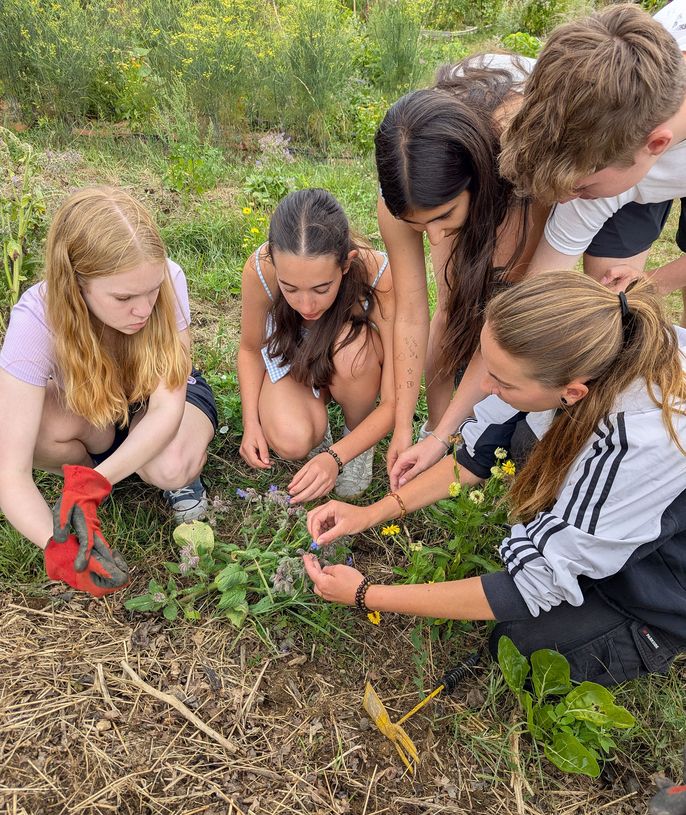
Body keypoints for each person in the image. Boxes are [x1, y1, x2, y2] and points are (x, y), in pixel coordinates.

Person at [303, 272, 686, 686]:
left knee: (521, 649)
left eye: (502, 383)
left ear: (573, 392)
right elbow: (478, 453)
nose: (484, 387)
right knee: (520, 436)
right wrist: (369, 513)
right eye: (489, 366)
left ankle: (660, 626)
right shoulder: (588, 340)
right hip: (618, 504)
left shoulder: (643, 438)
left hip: (664, 576)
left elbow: (530, 586)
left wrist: (366, 594)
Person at [0, 186, 218, 596]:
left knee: (169, 466)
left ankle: (109, 480)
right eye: (123, 297)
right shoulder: (35, 319)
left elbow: (166, 407)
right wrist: (58, 544)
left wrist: (93, 483)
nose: (144, 309)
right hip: (95, 411)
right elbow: (9, 473)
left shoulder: (168, 279)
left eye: (151, 290)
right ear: (76, 285)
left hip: (159, 402)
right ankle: (96, 487)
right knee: (23, 427)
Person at [375, 56, 550, 491]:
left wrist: (438, 439)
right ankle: (442, 430)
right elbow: (414, 314)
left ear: (475, 181)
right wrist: (406, 425)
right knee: (455, 304)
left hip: (521, 162)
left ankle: (458, 432)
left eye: (445, 216)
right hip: (474, 157)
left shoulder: (524, 175)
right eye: (420, 225)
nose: (433, 239)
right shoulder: (402, 196)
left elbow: (499, 323)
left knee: (496, 305)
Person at [500, 3, 686, 301]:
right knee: (613, 296)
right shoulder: (600, 139)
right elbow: (537, 289)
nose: (560, 201)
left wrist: (656, 281)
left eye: (580, 187)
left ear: (655, 145)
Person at [237, 188, 394, 501]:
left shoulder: (379, 276)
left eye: (322, 288)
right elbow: (250, 349)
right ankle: (317, 433)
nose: (306, 305)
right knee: (290, 439)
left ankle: (356, 437)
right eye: (290, 289)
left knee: (354, 357)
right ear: (272, 261)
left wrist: (337, 458)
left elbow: (396, 399)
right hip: (295, 359)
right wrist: (250, 422)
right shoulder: (259, 270)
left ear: (346, 265)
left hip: (353, 362)